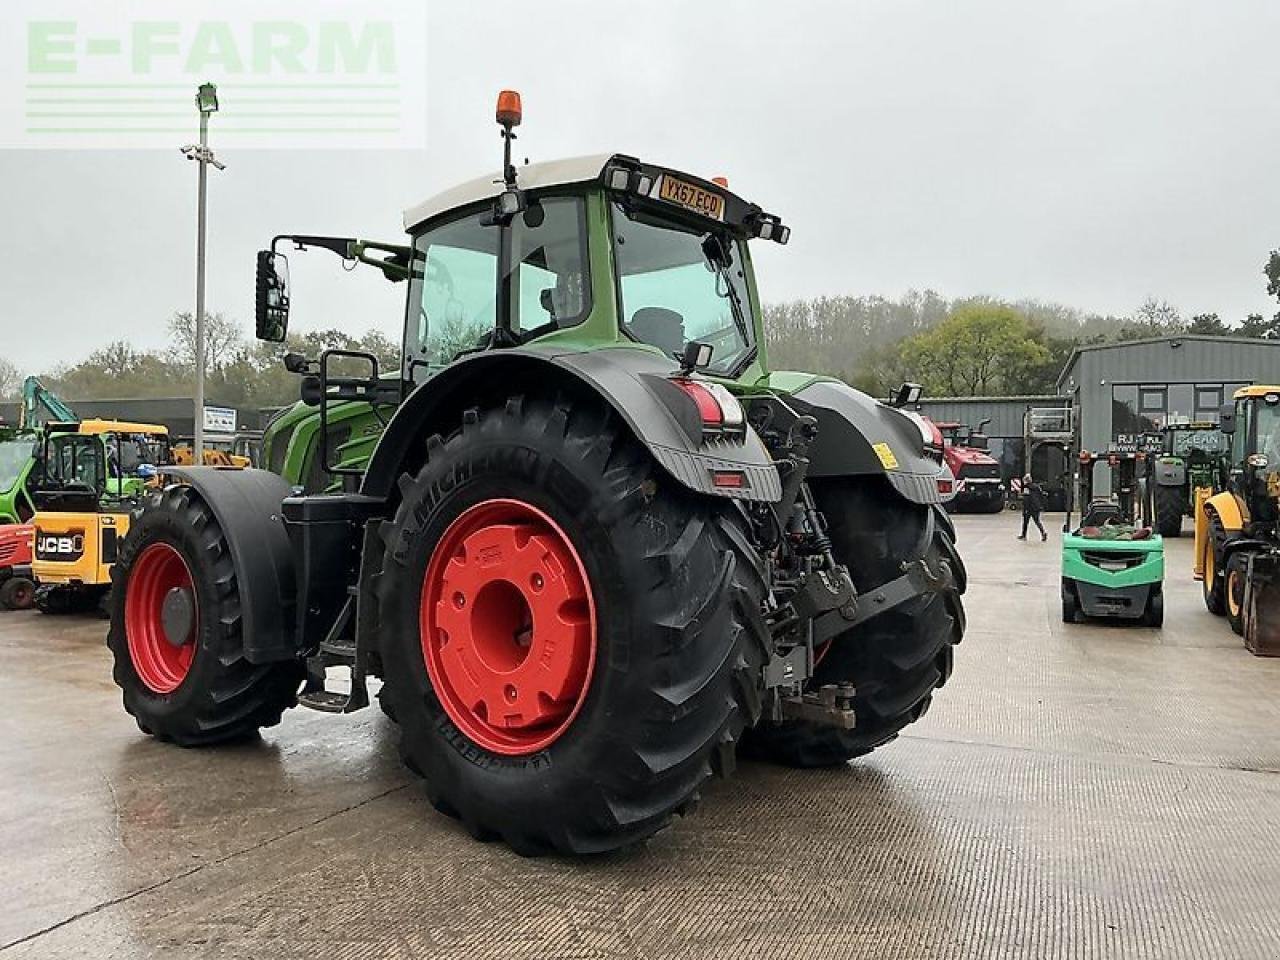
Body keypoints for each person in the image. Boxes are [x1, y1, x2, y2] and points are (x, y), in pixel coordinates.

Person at [1018, 473, 1047, 541]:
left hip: (1029, 507)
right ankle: (1043, 533)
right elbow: (1041, 496)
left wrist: (1025, 508)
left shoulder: (1026, 488)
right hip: (1036, 507)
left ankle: (1024, 535)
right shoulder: (1037, 487)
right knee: (1037, 521)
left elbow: (1026, 498)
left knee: (1025, 522)